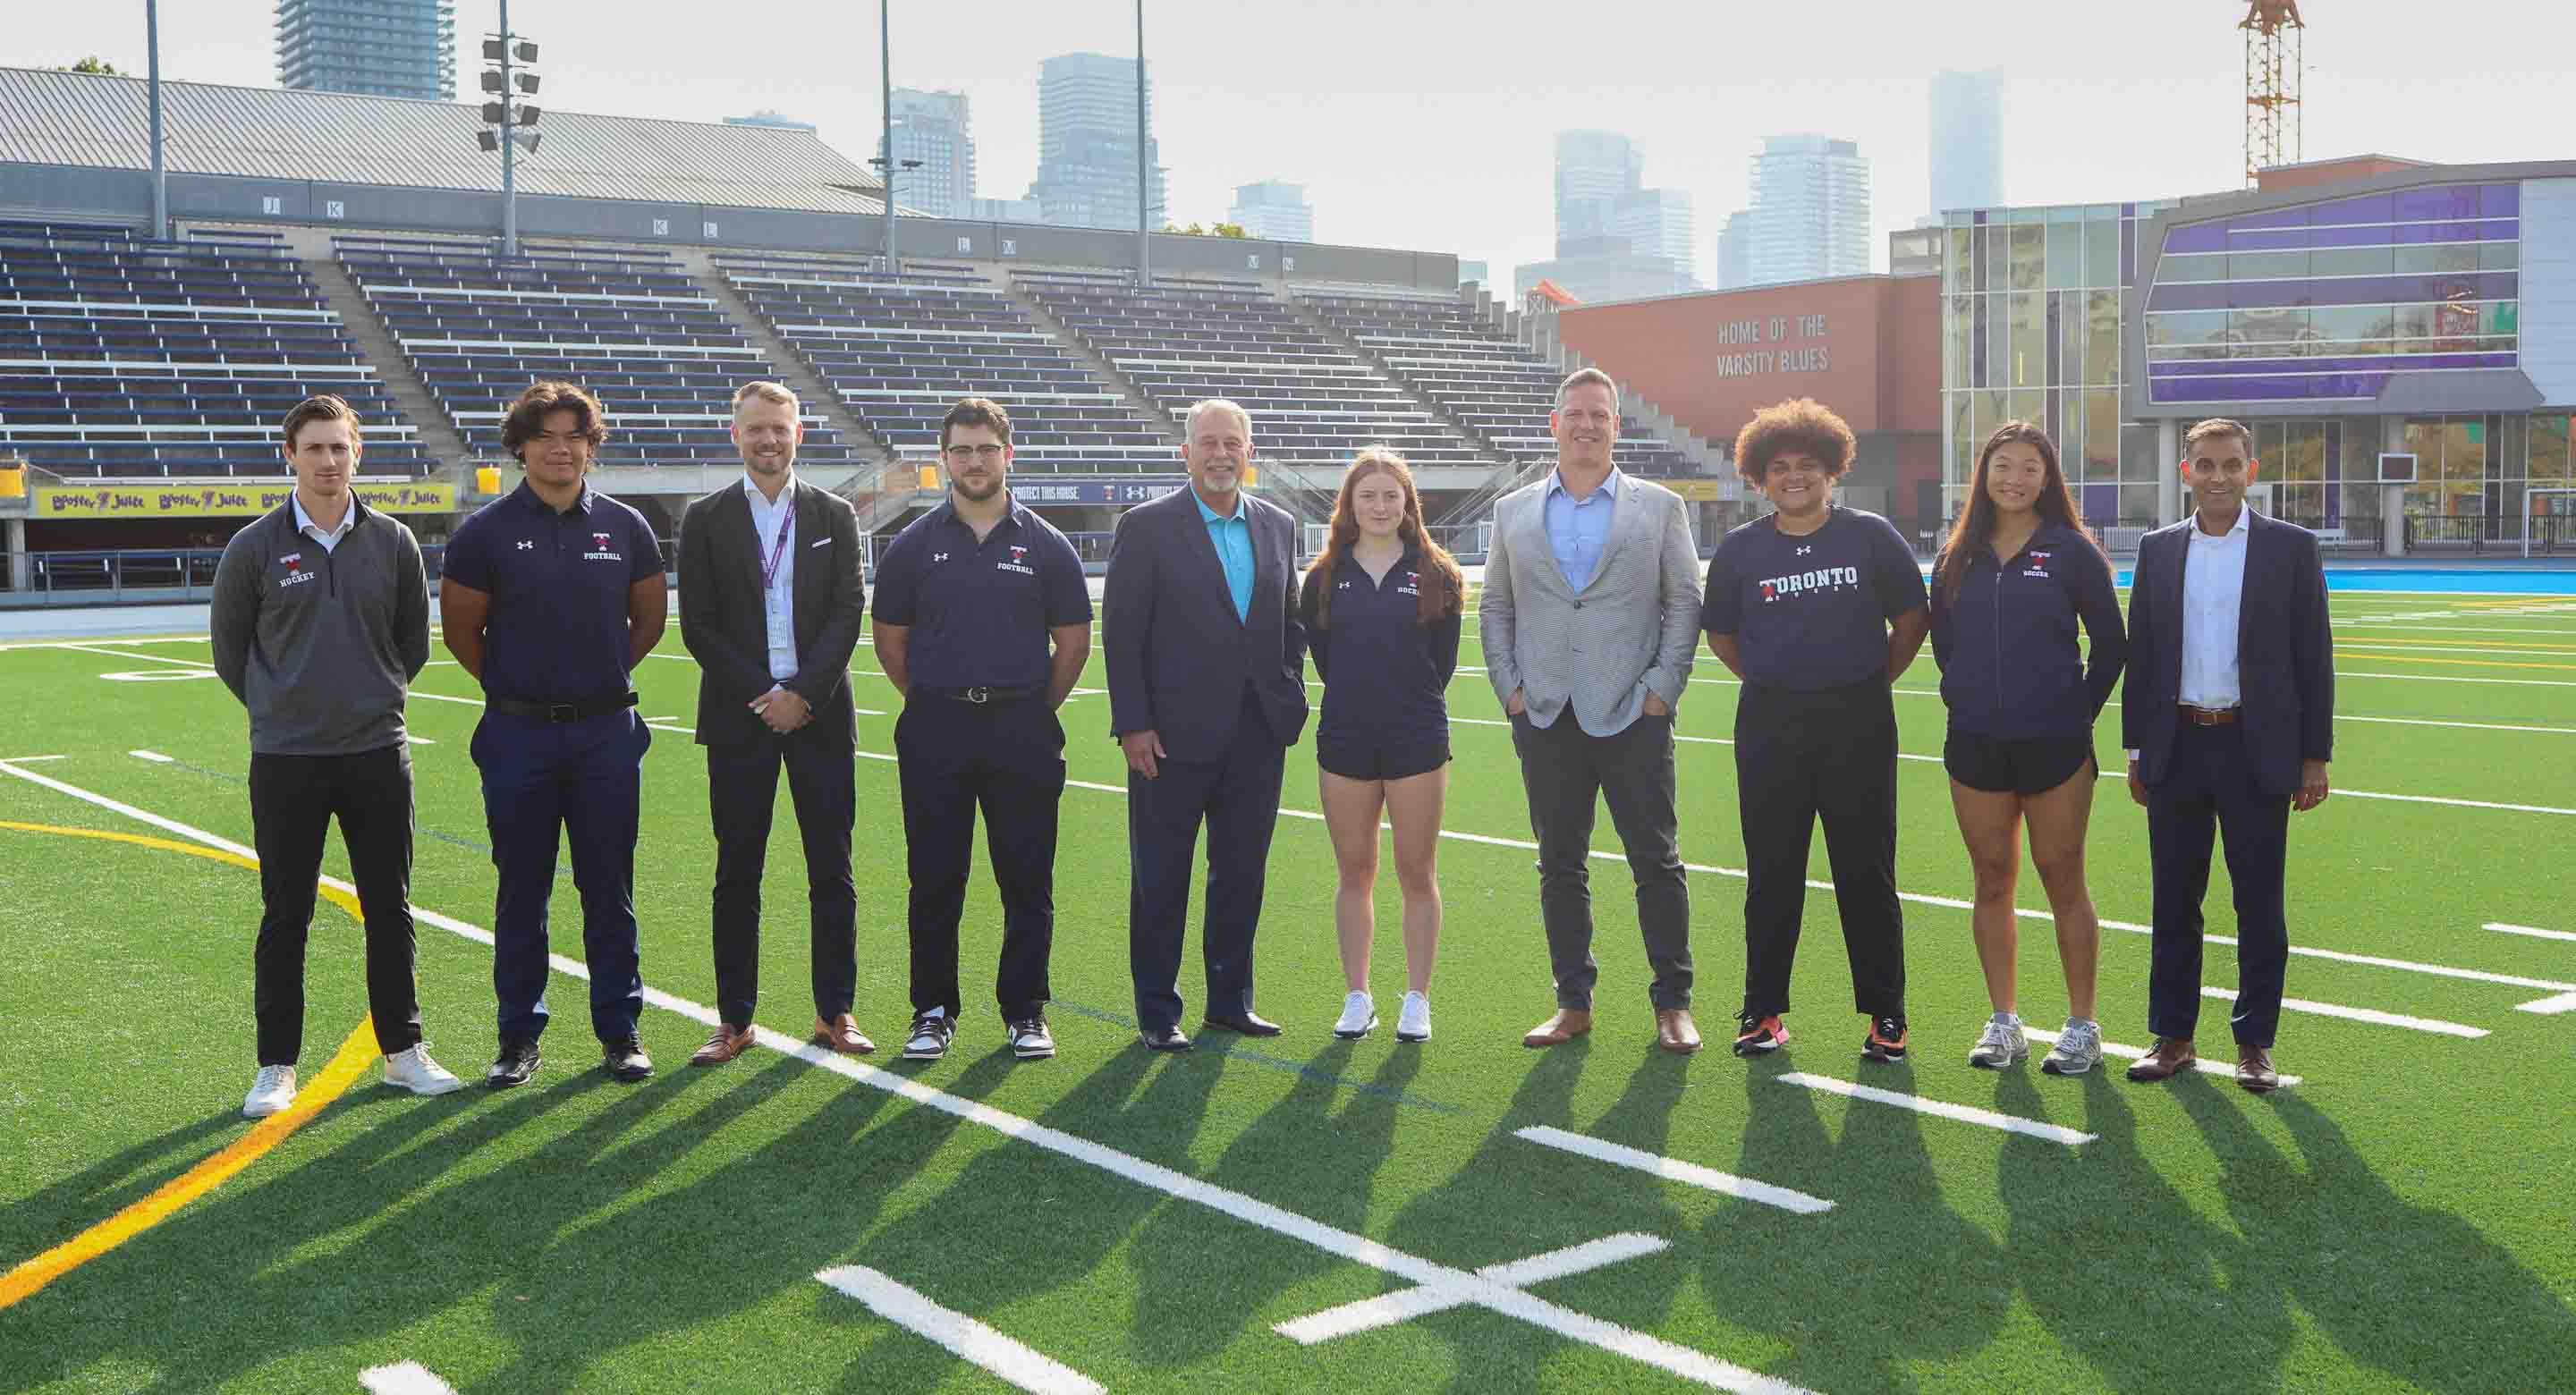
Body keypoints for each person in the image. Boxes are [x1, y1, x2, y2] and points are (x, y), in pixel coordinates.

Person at [212, 394, 458, 1117]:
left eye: (339, 448)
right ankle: (276, 1066)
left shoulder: (394, 543)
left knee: (390, 907)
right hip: (287, 759)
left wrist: (369, 699)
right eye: (313, 448)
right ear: (289, 455)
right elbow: (232, 655)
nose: (327, 461)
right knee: (286, 913)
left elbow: (412, 644)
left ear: (359, 455)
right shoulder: (253, 547)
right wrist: (283, 707)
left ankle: (404, 1054)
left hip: (377, 753)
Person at [439, 380, 668, 1086]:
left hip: (606, 734)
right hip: (519, 737)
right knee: (522, 892)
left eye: (575, 435)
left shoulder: (627, 526)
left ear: (592, 446)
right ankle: (517, 1038)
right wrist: (522, 691)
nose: (561, 448)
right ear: (520, 447)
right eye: (545, 436)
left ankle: (620, 1030)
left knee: (610, 889)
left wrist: (595, 681)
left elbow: (648, 621)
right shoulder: (484, 533)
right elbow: (460, 632)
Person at [1481, 368, 1703, 1053]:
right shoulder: (1513, 511)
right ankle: (1572, 1002)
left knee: (1656, 862)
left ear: (1615, 425)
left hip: (1633, 715)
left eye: (1599, 415)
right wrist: (1510, 691)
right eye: (1574, 413)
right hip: (1545, 715)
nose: (1586, 424)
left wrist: (1661, 691)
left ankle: (1673, 1003)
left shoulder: (1660, 507)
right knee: (1559, 864)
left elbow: (1685, 601)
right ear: (1555, 423)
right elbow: (1496, 606)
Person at [1703, 396, 1929, 1064]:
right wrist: (1778, 680)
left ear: (1832, 469)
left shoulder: (1869, 536)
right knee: (1772, 873)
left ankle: (1887, 1015)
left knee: (1867, 872)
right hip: (1770, 727)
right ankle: (1763, 1011)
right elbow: (1721, 636)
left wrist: (1864, 680)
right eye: (1779, 467)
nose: (1793, 477)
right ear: (1759, 477)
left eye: (1807, 465)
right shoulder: (1741, 551)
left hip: (1858, 723)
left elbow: (1912, 619)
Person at [873, 397, 1092, 1061]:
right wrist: (938, 701)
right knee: (935, 877)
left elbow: (1074, 644)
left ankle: (1025, 1009)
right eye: (961, 450)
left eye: (986, 449)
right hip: (936, 724)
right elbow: (890, 641)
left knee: (1026, 877)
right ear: (944, 461)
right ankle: (933, 1009)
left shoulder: (1046, 544)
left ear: (1008, 455)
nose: (974, 461)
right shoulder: (912, 545)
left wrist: (1029, 709)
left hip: (1021, 726)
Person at [2122, 417, 2334, 1094]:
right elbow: (2143, 655)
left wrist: (2314, 756)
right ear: (2186, 471)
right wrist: (2137, 748)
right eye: (2205, 465)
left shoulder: (2290, 549)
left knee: (2258, 905)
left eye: (2231, 464)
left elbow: (2314, 657)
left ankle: (2254, 1043)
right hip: (2177, 745)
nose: (2218, 477)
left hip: (2256, 749)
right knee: (2174, 900)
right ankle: (2174, 1037)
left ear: (2252, 468)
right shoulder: (2157, 550)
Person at [675, 381, 871, 1067]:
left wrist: (803, 694)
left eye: (779, 429)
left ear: (799, 435)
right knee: (737, 871)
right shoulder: (704, 517)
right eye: (755, 429)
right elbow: (696, 624)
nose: (768, 440)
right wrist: (765, 693)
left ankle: (835, 1010)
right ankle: (734, 1020)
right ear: (736, 435)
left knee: (833, 869)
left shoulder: (835, 513)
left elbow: (849, 611)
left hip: (819, 714)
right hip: (739, 716)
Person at [1103, 398, 1308, 1051]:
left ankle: (1230, 1002)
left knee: (1241, 873)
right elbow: (1123, 633)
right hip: (1169, 738)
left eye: (1232, 443)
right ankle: (1158, 1012)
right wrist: (1133, 724)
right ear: (1185, 453)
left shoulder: (1278, 524)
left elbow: (1291, 620)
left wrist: (1290, 695)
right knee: (1161, 876)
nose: (1221, 454)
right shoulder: (1147, 526)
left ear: (1250, 451)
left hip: (1256, 736)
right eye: (1208, 443)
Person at [1928, 421, 2127, 1074]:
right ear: (1983, 474)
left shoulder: (2072, 551)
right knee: (1991, 880)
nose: (2015, 479)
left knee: (2063, 877)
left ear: (2048, 480)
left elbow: (2112, 645)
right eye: (2003, 466)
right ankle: (2004, 1022)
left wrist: (2076, 715)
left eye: (2029, 469)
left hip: (2056, 749)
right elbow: (1946, 646)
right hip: (1977, 746)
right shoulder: (1957, 555)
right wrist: (1965, 696)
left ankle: (2081, 1025)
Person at [1299, 447, 1463, 1044]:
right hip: (1345, 738)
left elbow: (1439, 667)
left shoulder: (1437, 572)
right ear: (1349, 505)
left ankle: (1417, 998)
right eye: (1367, 495)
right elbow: (1323, 660)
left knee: (1417, 871)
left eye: (1390, 495)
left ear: (1408, 502)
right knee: (1355, 871)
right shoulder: (1322, 577)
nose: (1379, 505)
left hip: (1417, 737)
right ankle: (1357, 995)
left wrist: (1403, 706)